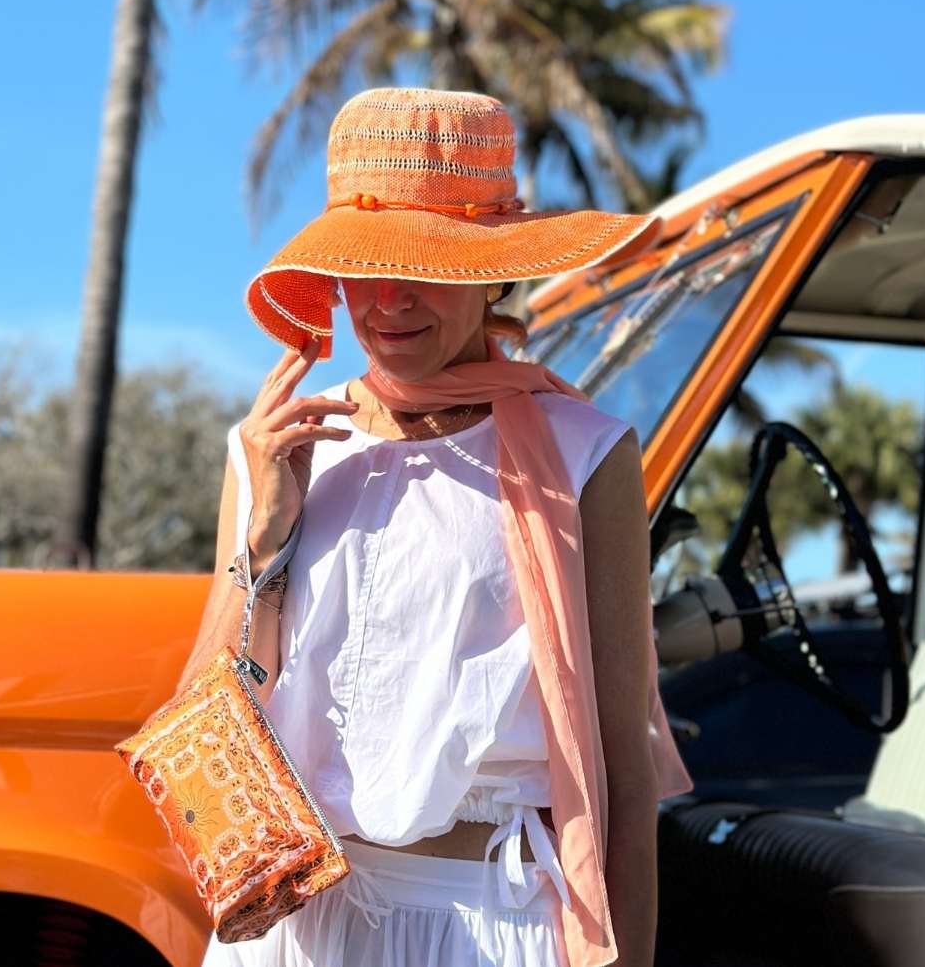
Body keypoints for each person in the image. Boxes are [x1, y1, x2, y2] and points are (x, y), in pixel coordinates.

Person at [181, 88, 691, 967]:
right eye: (363, 267)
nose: (388, 301)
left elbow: (622, 759)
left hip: (486, 921)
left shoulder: (585, 454)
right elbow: (206, 715)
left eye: (426, 265)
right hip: (296, 924)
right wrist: (266, 536)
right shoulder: (274, 447)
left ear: (491, 273)